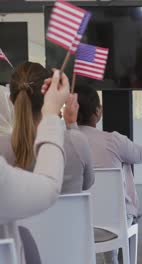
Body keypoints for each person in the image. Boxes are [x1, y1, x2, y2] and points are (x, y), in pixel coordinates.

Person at [73, 85, 142, 264]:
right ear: (98, 111)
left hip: (77, 225)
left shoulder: (64, 142)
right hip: (116, 224)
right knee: (117, 212)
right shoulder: (113, 141)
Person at [0, 69, 69, 263]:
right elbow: (48, 186)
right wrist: (52, 115)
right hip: (66, 245)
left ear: (12, 101)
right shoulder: (76, 144)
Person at [0, 62, 94, 194]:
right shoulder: (77, 142)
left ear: (11, 99)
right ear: (48, 95)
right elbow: (88, 183)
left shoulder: (2, 149)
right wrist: (72, 125)